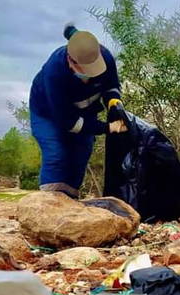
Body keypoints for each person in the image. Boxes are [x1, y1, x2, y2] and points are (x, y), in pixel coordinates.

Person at [29, 24, 127, 199]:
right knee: (57, 153)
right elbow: (69, 122)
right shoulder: (55, 73)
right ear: (70, 60)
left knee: (81, 153)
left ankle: (71, 201)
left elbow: (111, 85)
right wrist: (108, 128)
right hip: (48, 114)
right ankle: (51, 204)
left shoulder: (105, 58)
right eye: (85, 70)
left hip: (85, 111)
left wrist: (114, 103)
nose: (91, 75)